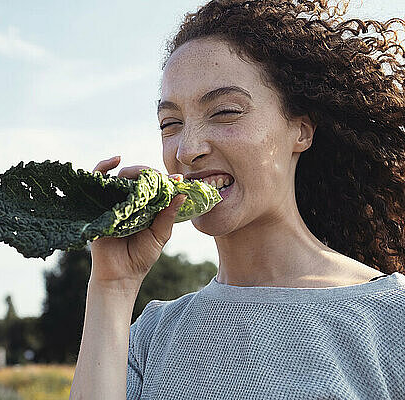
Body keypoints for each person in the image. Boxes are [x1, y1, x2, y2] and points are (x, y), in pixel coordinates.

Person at [69, 0, 405, 398]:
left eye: (225, 111)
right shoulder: (149, 338)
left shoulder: (391, 319)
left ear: (300, 130)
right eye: (170, 123)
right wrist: (112, 286)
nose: (186, 150)